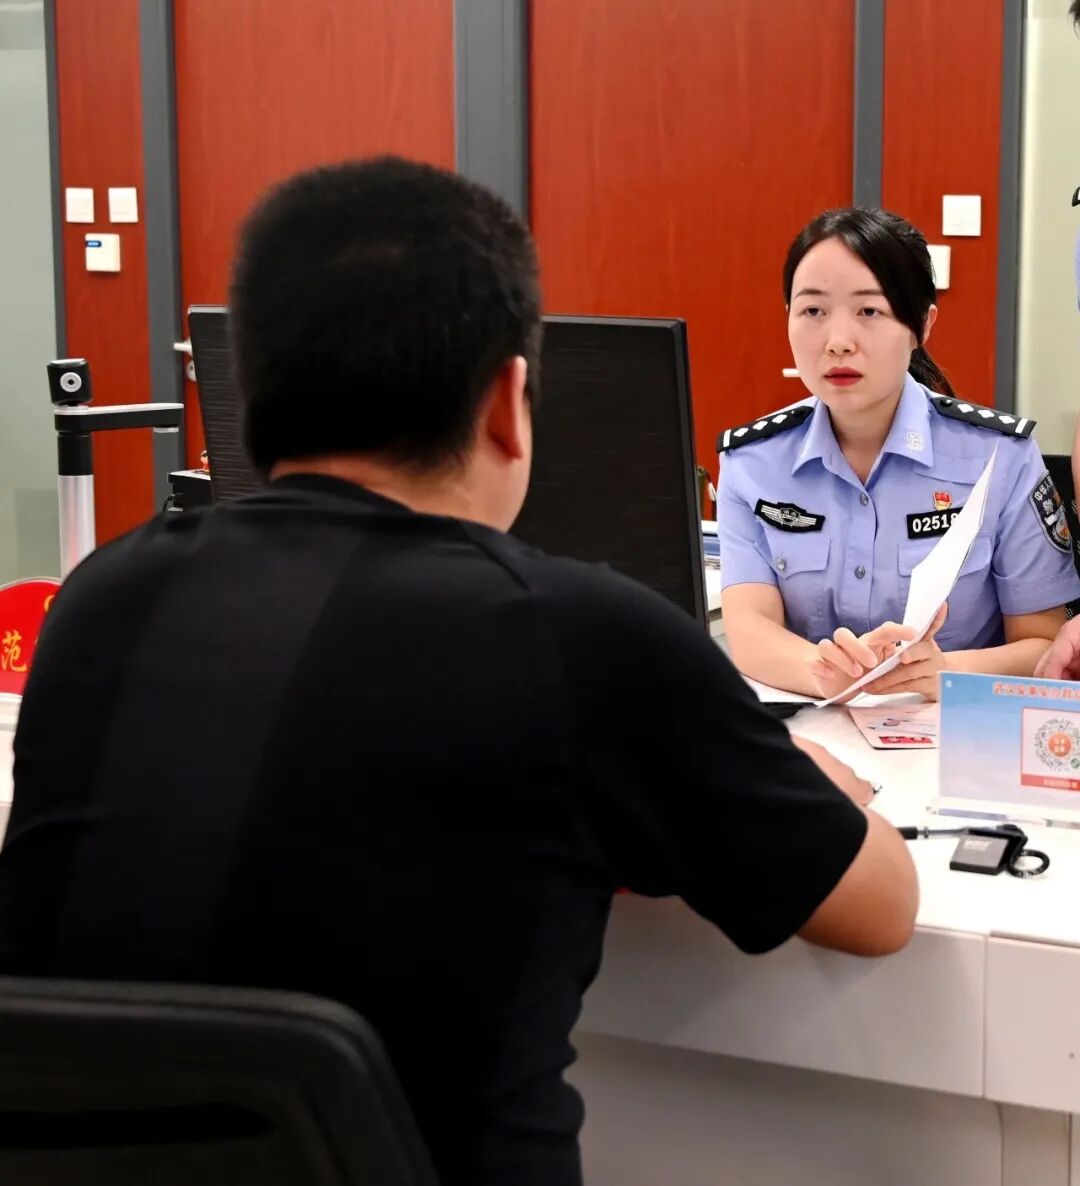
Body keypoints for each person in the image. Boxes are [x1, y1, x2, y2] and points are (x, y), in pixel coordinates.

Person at [0, 158, 916, 1186]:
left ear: (249, 391)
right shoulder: (583, 638)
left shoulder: (102, 599)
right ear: (507, 404)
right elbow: (880, 909)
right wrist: (805, 777)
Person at [717, 207, 1080, 702]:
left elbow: (1043, 643)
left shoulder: (1001, 457)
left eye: (869, 311)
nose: (838, 343)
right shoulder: (752, 462)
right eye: (813, 311)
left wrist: (945, 671)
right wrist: (824, 672)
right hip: (815, 727)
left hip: (952, 728)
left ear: (921, 325)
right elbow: (750, 630)